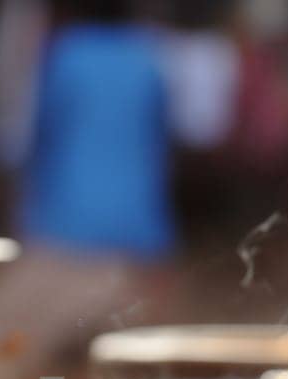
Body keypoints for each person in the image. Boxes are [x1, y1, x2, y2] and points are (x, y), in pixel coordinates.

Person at [19, 0, 175, 260]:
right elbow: (162, 139)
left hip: (66, 220)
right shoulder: (149, 55)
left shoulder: (67, 52)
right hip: (137, 220)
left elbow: (40, 131)